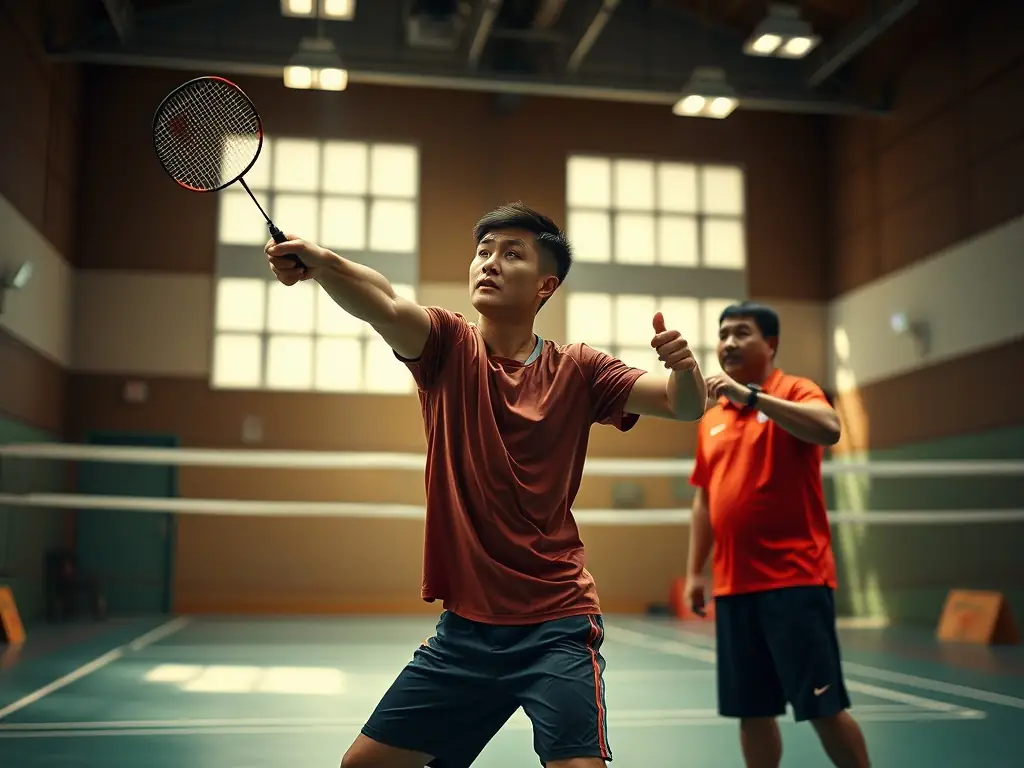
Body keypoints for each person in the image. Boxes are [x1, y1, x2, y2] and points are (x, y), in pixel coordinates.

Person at [265, 202, 708, 768]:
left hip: (555, 622)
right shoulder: (446, 347)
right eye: (483, 252)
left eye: (511, 254)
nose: (490, 263)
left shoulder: (579, 369)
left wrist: (685, 368)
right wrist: (323, 263)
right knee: (363, 766)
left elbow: (681, 405)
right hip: (467, 632)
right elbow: (383, 302)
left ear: (546, 285)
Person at [685, 301, 871, 768]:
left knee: (822, 708)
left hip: (795, 581)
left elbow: (829, 429)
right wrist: (694, 573)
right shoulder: (711, 419)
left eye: (742, 333)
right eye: (723, 333)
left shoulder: (795, 391)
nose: (728, 342)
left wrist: (753, 397)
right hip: (734, 587)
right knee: (752, 711)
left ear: (770, 344)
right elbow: (705, 501)